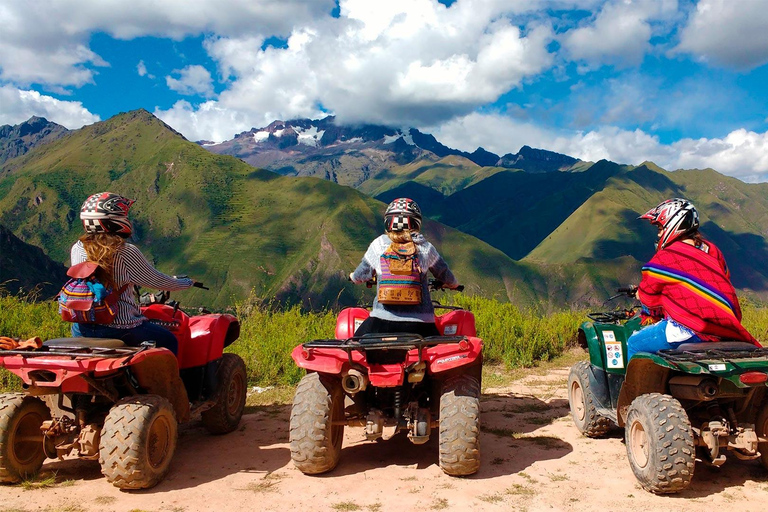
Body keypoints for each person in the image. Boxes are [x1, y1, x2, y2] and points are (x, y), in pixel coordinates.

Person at [626, 198, 758, 360]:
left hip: (688, 328)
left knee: (634, 342)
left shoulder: (667, 256)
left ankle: (635, 386)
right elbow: (722, 283)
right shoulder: (711, 250)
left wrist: (640, 295)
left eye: (660, 228)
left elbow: (649, 294)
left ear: (674, 224)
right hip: (724, 327)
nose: (659, 234)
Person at [69, 192, 194, 354]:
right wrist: (186, 283)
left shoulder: (77, 248)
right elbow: (158, 281)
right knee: (169, 340)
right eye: (123, 214)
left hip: (81, 327)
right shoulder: (124, 251)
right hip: (120, 326)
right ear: (114, 220)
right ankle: (171, 380)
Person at [349, 198, 459, 337]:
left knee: (355, 343)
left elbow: (361, 274)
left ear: (388, 222)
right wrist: (454, 284)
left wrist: (353, 277)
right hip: (420, 324)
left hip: (383, 321)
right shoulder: (425, 247)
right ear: (416, 222)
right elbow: (444, 273)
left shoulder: (378, 245)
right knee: (437, 348)